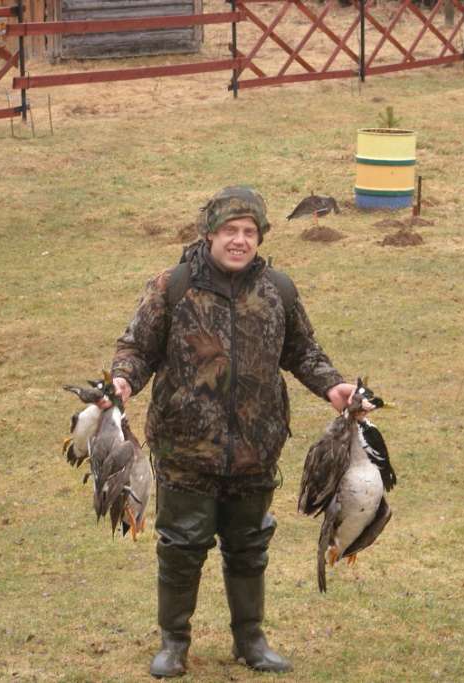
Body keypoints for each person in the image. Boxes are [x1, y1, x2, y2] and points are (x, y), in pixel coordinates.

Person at [105, 186, 355, 677]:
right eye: (230, 231)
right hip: (185, 447)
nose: (239, 240)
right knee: (181, 545)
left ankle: (250, 641)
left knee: (249, 546)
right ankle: (174, 643)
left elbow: (303, 351)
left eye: (249, 232)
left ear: (259, 237)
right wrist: (122, 380)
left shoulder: (278, 290)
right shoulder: (173, 287)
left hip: (255, 448)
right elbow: (137, 348)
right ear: (210, 233)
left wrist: (332, 386)